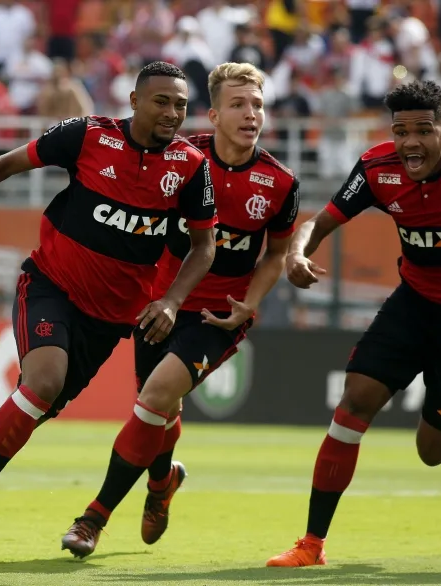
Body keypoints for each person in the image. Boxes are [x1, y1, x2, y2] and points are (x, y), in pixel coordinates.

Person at [0, 61, 218, 561]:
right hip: (51, 285)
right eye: (161, 101)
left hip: (111, 319)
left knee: (31, 411)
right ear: (133, 101)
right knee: (41, 383)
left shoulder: (191, 166)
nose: (173, 112)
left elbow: (203, 246)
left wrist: (172, 300)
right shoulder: (87, 136)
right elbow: (3, 164)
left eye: (181, 104)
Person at [264, 79, 441, 568]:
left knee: (431, 452)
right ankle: (311, 544)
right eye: (400, 131)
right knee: (354, 401)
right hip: (414, 304)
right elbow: (319, 221)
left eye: (422, 130)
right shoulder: (377, 169)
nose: (410, 142)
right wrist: (296, 254)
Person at [58, 61, 301, 558]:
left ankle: (93, 518)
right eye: (237, 104)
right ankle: (162, 482)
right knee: (160, 409)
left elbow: (275, 254)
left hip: (217, 317)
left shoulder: (280, 183)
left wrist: (248, 307)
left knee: (156, 395)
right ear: (212, 114)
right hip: (159, 303)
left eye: (257, 104)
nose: (250, 113)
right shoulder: (181, 160)